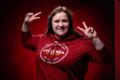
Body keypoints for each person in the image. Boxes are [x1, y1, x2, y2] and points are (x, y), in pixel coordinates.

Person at [21, 6, 112, 80]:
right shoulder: (43, 39)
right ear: (51, 24)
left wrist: (95, 39)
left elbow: (106, 59)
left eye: (64, 21)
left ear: (70, 23)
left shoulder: (82, 43)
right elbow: (26, 41)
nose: (60, 25)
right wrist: (26, 23)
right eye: (56, 21)